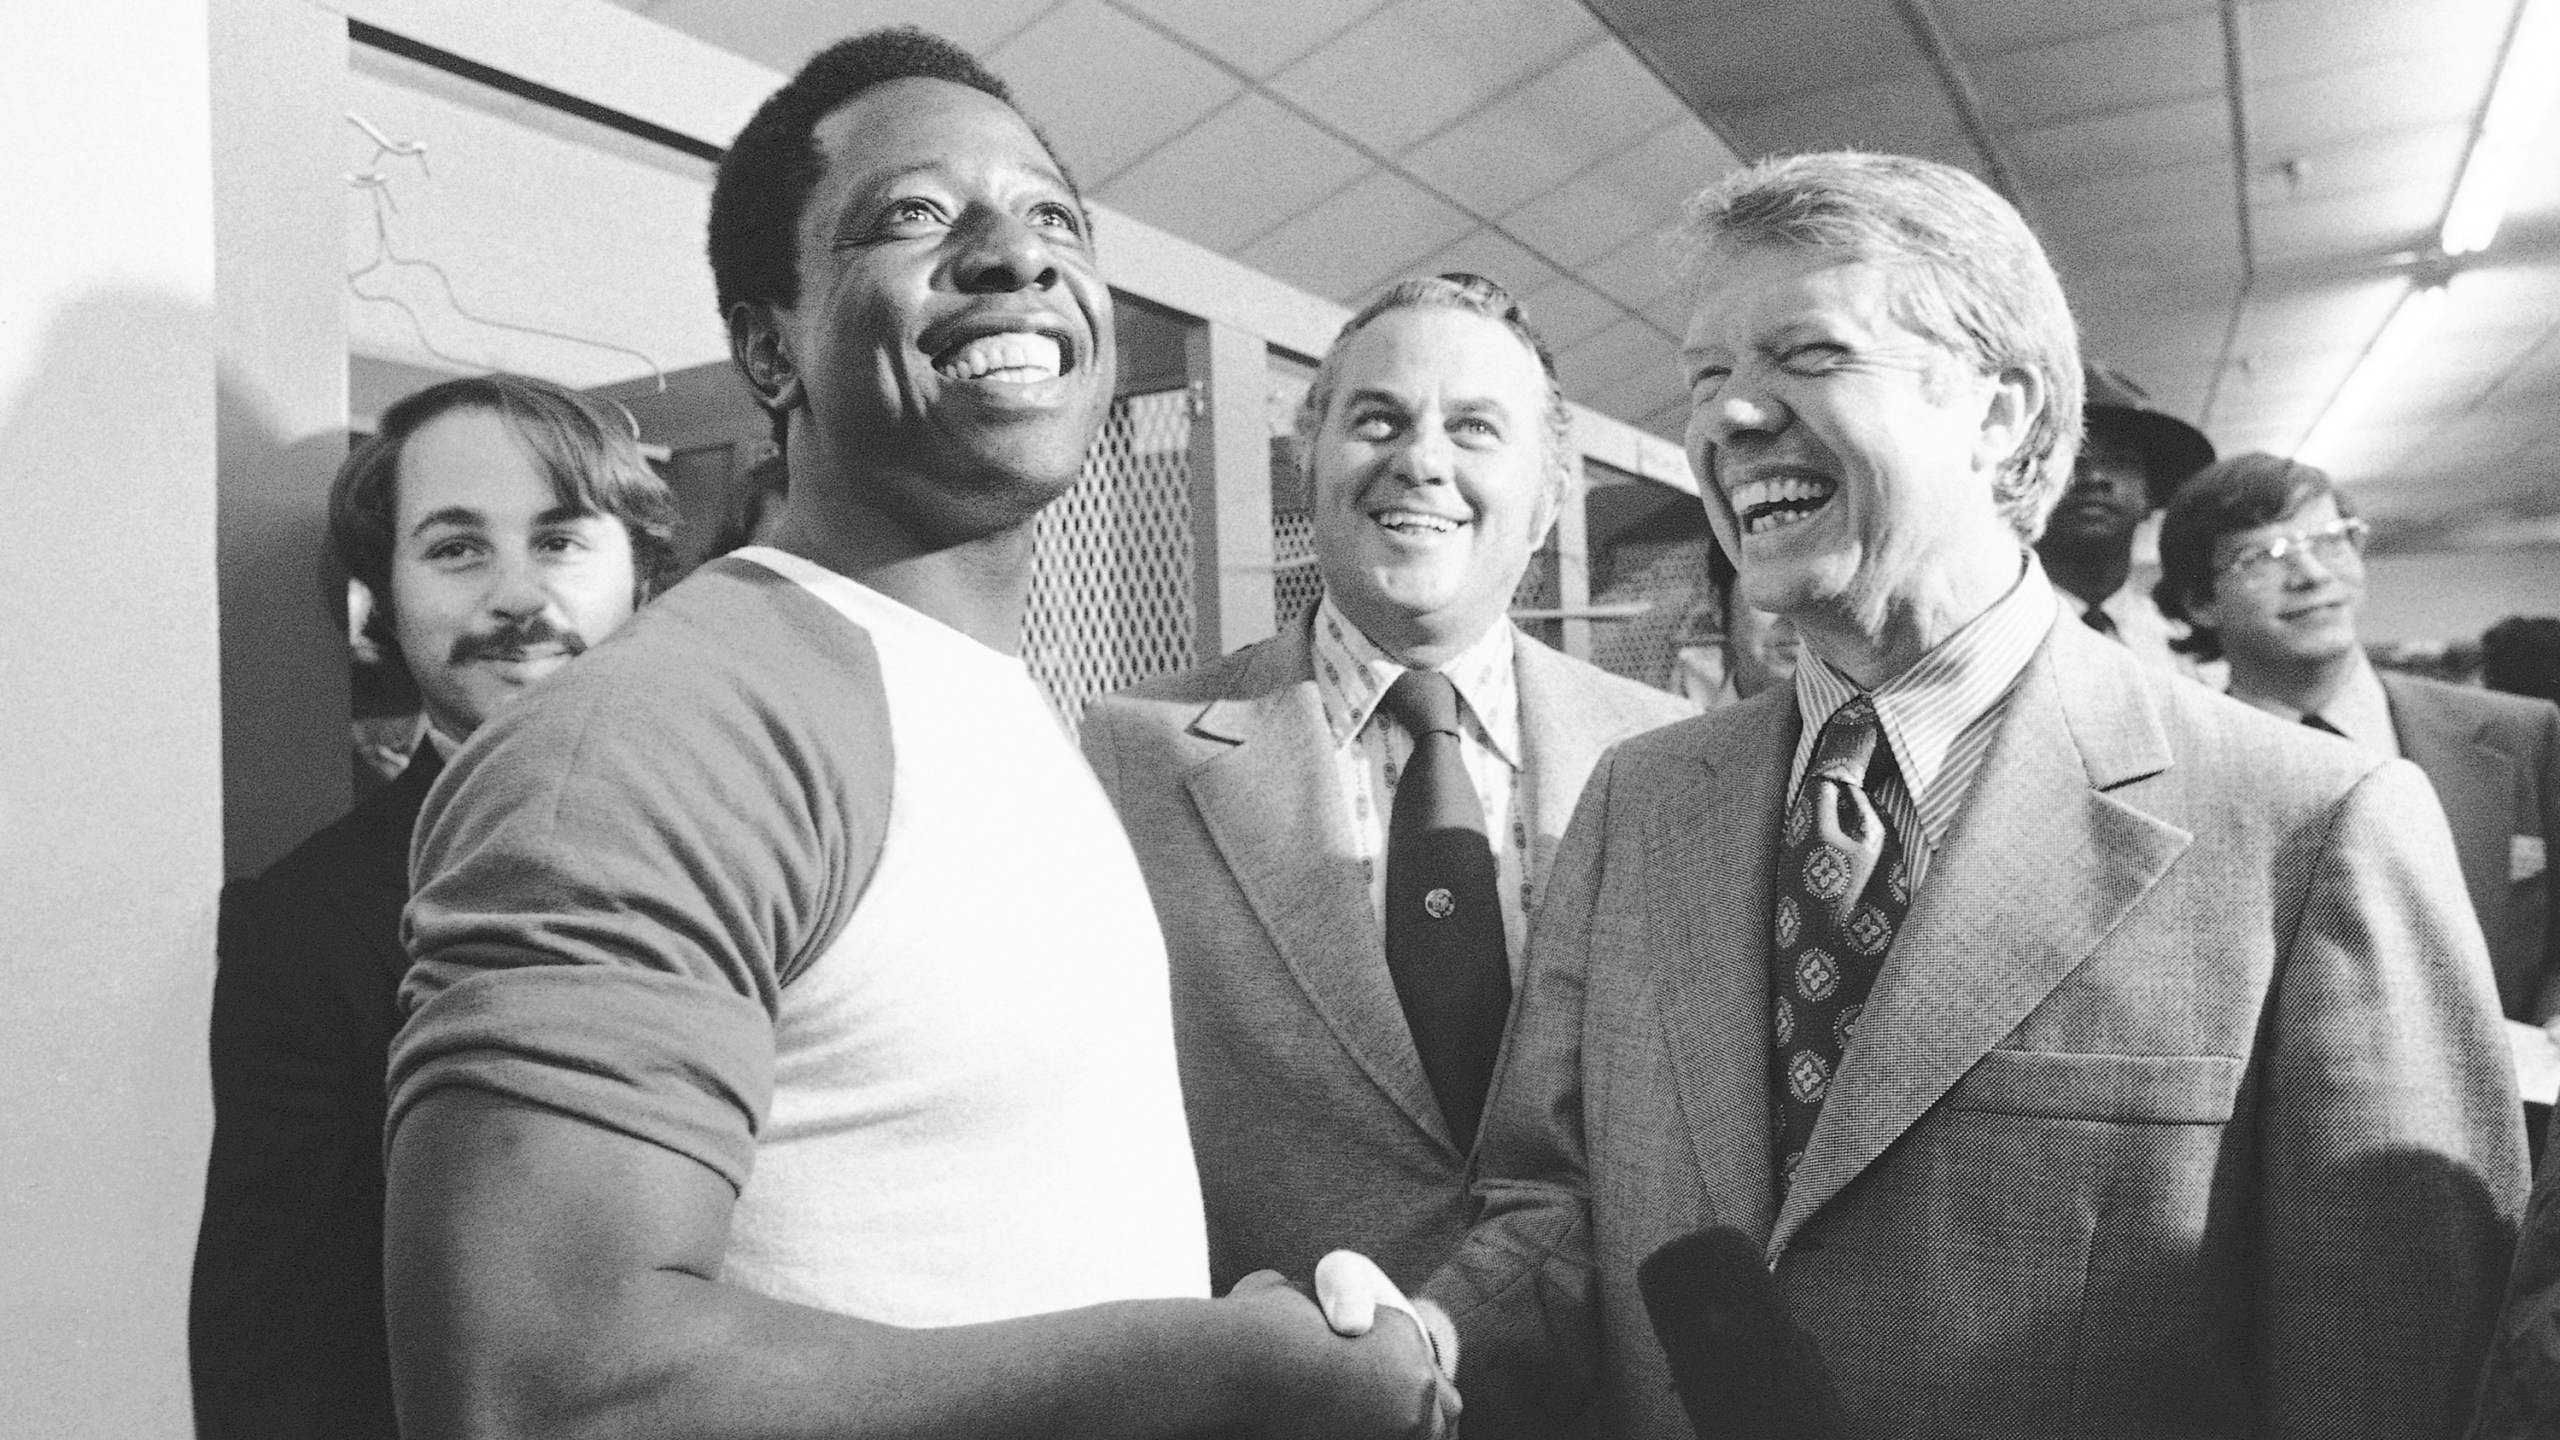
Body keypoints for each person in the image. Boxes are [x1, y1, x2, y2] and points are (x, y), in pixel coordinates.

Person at [379, 28, 1452, 1440]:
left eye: (1054, 217)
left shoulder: (1000, 713)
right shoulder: (663, 733)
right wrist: (1215, 1374)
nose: (1015, 255)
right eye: (915, 217)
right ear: (771, 346)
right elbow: (540, 1389)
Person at [1425, 150, 2527, 1439]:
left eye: (1809, 355)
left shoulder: (2309, 832)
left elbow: (2383, 1369)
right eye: (1707, 375)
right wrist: (1402, 1353)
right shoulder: (1643, 801)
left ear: (1999, 412)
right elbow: (1553, 1213)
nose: (1727, 419)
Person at [1080, 274, 1690, 1296]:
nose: (1420, 461)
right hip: (1285, 1401)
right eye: (1378, 419)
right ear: (1305, 454)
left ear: (1546, 500)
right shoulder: (1132, 756)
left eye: (1474, 428)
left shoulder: (1671, 760)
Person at [189, 372, 679, 1440]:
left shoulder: (760, 834)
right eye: (458, 548)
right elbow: (273, 1368)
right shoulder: (302, 929)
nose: (516, 596)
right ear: (381, 602)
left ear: (639, 575)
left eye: (558, 541)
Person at [2156, 453, 2560, 1032]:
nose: (2312, 575)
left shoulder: (2518, 735)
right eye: (2263, 557)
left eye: (2331, 540)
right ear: (2200, 602)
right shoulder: (2173, 768)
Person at [2032, 366, 2217, 681]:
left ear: (2151, 496)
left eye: (2121, 461)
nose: (2094, 477)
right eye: (2069, 458)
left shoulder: (2185, 650)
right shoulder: (1990, 641)